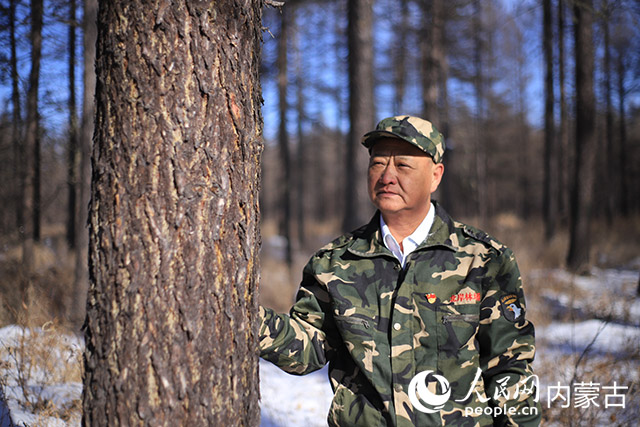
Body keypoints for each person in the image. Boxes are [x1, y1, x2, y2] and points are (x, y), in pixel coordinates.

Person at [259, 115, 541, 426]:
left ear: (435, 176)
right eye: (378, 164)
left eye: (403, 165)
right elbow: (308, 347)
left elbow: (509, 368)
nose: (387, 177)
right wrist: (244, 317)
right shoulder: (335, 263)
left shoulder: (484, 260)